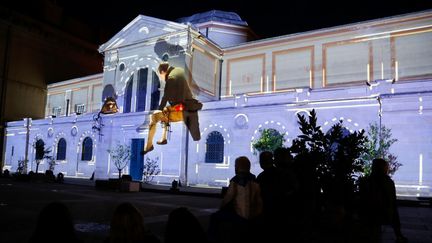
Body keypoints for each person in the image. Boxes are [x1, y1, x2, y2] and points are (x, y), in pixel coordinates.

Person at [142, 62, 202, 155]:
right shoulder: (179, 71)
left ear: (162, 72)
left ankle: (149, 145)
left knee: (154, 117)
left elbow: (165, 96)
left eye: (160, 75)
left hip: (182, 110)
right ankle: (163, 138)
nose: (161, 78)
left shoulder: (171, 78)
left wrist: (159, 109)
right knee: (166, 111)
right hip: (190, 106)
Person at [208, 156, 263, 242]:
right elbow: (259, 202)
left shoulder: (235, 181)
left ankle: (211, 239)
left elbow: (228, 198)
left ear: (237, 167)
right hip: (253, 216)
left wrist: (221, 207)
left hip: (239, 216)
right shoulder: (254, 180)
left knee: (214, 217)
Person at [359, 158, 408, 243]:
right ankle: (398, 235)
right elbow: (392, 202)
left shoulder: (366, 181)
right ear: (384, 168)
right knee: (393, 210)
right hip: (383, 213)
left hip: (369, 213)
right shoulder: (388, 182)